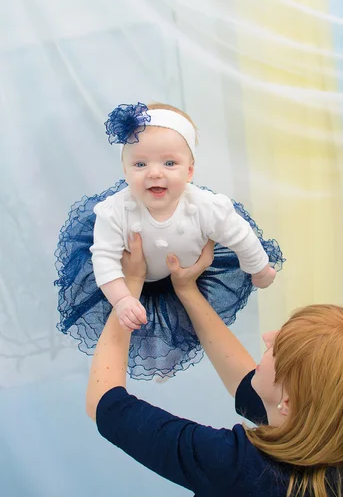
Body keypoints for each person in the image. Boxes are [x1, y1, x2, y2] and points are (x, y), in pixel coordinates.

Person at [86, 234, 343, 497]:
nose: (267, 337)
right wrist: (187, 290)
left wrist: (130, 287)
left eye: (280, 347)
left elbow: (106, 405)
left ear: (288, 401)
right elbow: (246, 384)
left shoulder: (237, 466)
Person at [55, 102, 284, 380]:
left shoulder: (205, 207)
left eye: (169, 163)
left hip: (190, 275)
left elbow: (240, 236)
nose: (154, 172)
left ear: (189, 171)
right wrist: (123, 299)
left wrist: (258, 269)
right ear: (125, 171)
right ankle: (150, 360)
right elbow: (103, 260)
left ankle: (171, 359)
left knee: (183, 326)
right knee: (133, 322)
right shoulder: (115, 211)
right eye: (140, 164)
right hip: (131, 282)